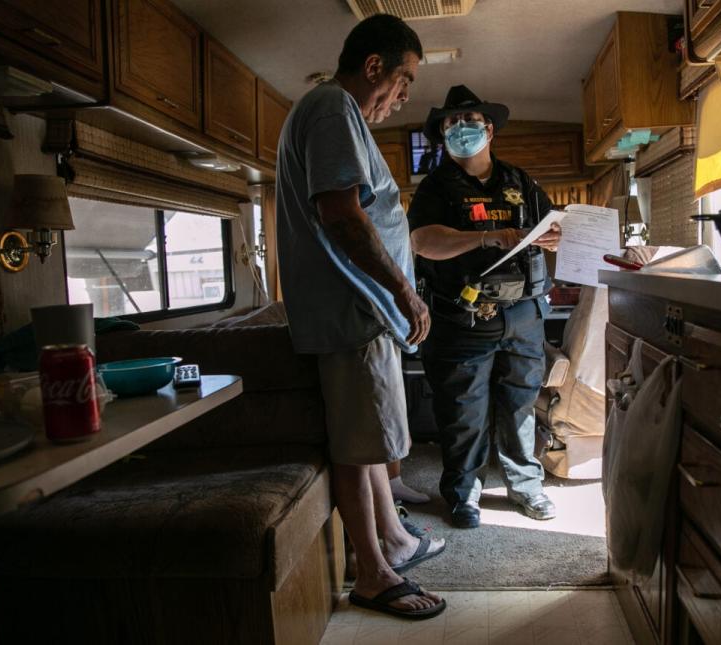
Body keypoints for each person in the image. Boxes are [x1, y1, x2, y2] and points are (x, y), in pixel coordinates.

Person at [275, 14, 445, 619]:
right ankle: (371, 574)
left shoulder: (335, 114)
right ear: (374, 65)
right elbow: (342, 213)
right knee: (357, 443)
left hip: (358, 311)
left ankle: (392, 542)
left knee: (370, 436)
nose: (403, 98)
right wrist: (405, 291)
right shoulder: (332, 108)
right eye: (403, 82)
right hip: (353, 307)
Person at [407, 85, 561, 529]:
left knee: (520, 407)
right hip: (461, 318)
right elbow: (422, 242)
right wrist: (486, 237)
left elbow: (551, 230)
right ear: (442, 135)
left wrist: (556, 236)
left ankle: (527, 488)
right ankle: (462, 494)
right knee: (462, 412)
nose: (460, 129)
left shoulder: (521, 182)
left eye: (468, 121)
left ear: (489, 129)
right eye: (450, 124)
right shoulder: (435, 187)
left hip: (524, 314)